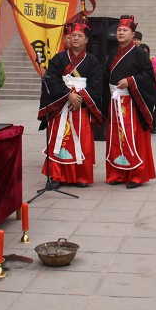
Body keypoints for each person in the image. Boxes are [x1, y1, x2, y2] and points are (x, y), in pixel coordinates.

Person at [38, 15, 103, 187]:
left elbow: (97, 84)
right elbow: (51, 79)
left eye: (80, 36)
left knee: (82, 140)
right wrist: (68, 94)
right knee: (59, 138)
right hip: (61, 106)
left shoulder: (92, 61)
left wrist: (80, 98)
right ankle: (57, 176)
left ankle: (81, 177)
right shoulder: (58, 59)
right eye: (73, 35)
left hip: (80, 107)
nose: (76, 38)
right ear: (69, 37)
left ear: (86, 40)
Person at [104, 15, 156, 189]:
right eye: (119, 30)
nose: (121, 33)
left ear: (132, 34)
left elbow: (148, 76)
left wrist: (131, 81)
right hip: (115, 102)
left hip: (131, 102)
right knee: (116, 137)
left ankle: (136, 174)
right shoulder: (113, 53)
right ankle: (118, 173)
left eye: (125, 30)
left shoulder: (140, 53)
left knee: (132, 136)